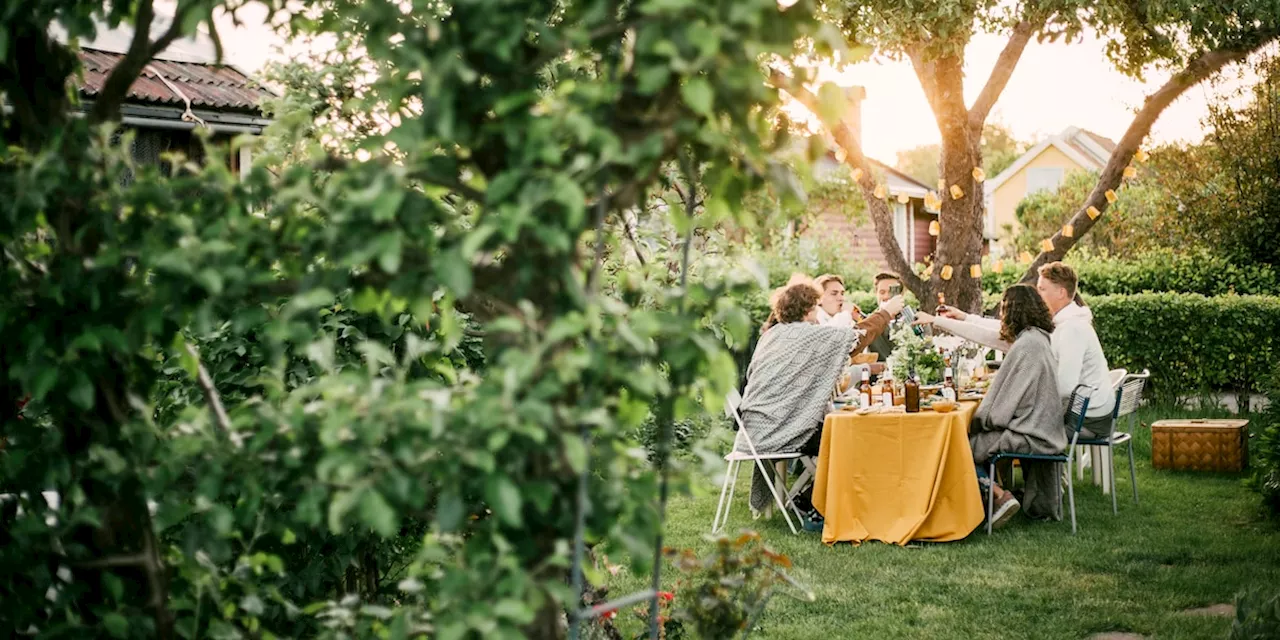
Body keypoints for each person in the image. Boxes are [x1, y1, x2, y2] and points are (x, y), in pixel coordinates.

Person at [739, 279, 904, 530]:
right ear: (807, 310)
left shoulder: (772, 335)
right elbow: (856, 338)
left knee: (842, 430)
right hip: (783, 428)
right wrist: (885, 312)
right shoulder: (806, 335)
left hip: (755, 430)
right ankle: (812, 504)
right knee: (854, 435)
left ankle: (812, 499)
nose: (817, 312)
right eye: (815, 306)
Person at [916, 262, 1115, 437]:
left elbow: (1065, 387)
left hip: (1087, 419)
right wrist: (964, 318)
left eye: (1042, 289)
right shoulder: (1061, 324)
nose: (1037, 294)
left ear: (1061, 292)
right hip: (1084, 411)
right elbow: (1002, 331)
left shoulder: (1072, 328)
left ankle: (996, 474)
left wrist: (1028, 401)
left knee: (1003, 422)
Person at [968, 285, 1065, 527]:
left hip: (1032, 434)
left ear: (1012, 312)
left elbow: (999, 411)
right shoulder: (1039, 339)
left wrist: (976, 421)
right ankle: (993, 494)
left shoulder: (1026, 345)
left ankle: (999, 497)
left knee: (959, 446)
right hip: (1044, 429)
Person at [865, 272, 902, 361]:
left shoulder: (915, 319)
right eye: (882, 292)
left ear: (900, 295)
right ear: (876, 294)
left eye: (891, 292)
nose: (886, 296)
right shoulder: (867, 322)